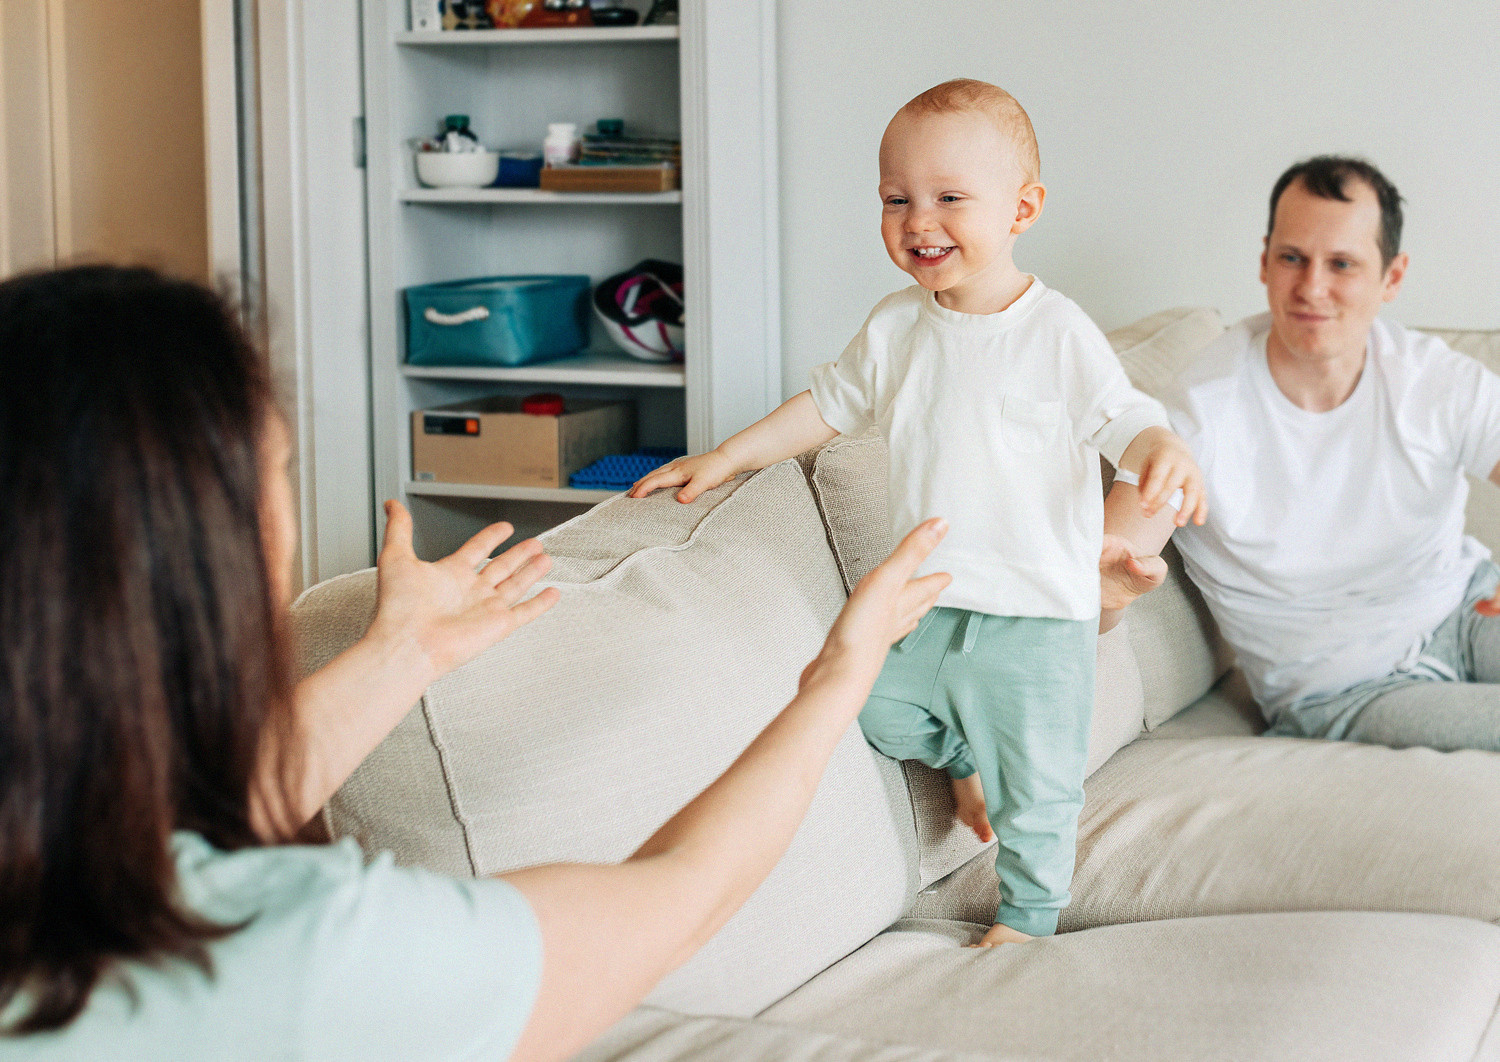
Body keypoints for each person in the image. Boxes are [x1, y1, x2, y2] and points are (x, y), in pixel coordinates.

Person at [0, 264, 952, 1061]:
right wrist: (837, 678)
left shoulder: (79, 862)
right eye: (279, 472)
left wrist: (401, 654)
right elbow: (678, 895)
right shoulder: (298, 952)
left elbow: (194, 819)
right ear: (206, 547)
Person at [630, 79, 1205, 948]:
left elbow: (1120, 416)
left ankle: (1028, 917)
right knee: (879, 710)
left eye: (948, 199)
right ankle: (964, 758)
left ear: (1023, 208)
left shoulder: (1056, 331)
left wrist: (1158, 446)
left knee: (1040, 787)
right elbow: (823, 407)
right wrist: (726, 456)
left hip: (1037, 615)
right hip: (930, 602)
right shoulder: (898, 327)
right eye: (896, 200)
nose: (917, 221)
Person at [1156, 155, 1500, 750]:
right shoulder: (1197, 411)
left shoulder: (1432, 379)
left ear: (1392, 277)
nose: (1311, 288)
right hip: (1338, 687)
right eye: (1293, 258)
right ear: (1264, 261)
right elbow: (1108, 557)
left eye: (1342, 264)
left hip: (1465, 609)